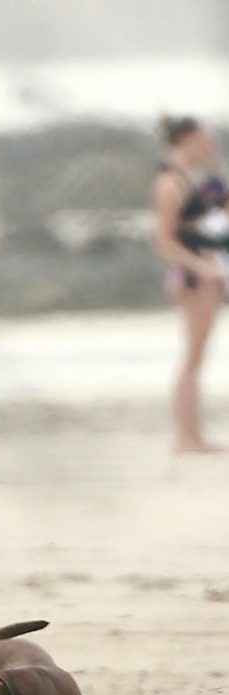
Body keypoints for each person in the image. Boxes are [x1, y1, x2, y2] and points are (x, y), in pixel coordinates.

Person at [153, 115, 228, 453]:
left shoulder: (200, 180)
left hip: (209, 273)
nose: (210, 144)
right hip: (193, 278)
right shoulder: (170, 182)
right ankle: (186, 437)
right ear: (188, 138)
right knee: (192, 356)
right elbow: (164, 241)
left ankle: (194, 435)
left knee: (198, 356)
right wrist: (202, 267)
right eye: (204, 138)